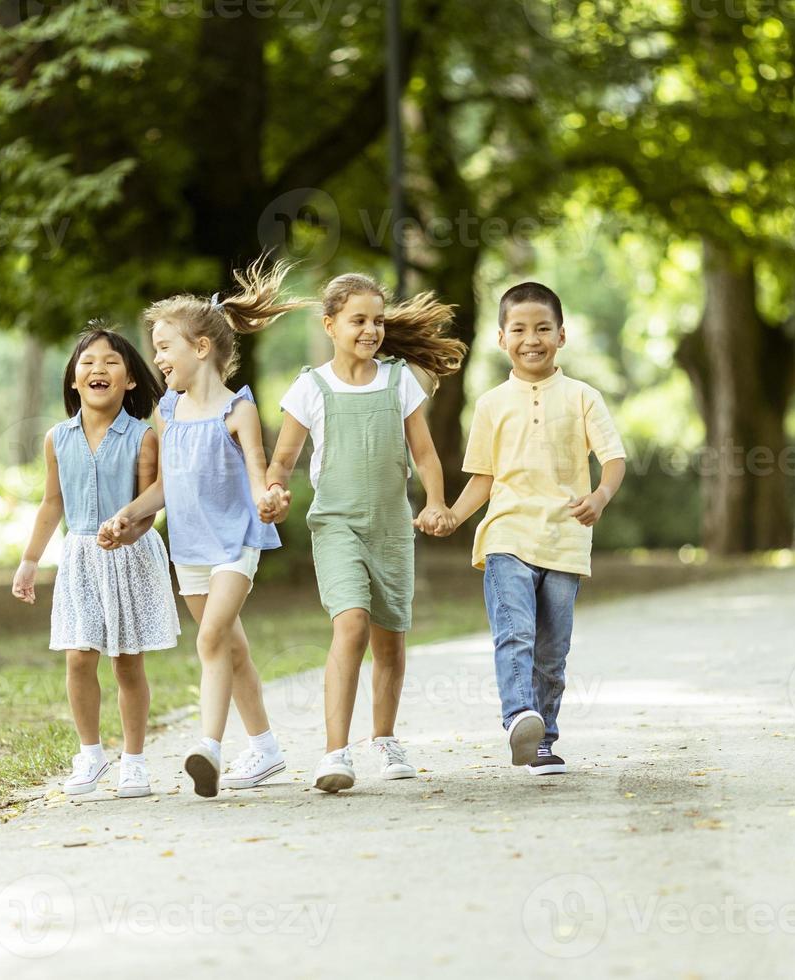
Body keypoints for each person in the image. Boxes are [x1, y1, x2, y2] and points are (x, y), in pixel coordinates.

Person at [101, 258, 307, 798]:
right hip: (188, 547)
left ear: (201, 348)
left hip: (236, 542)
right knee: (230, 648)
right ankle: (265, 749)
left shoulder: (238, 411)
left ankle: (208, 749)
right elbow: (165, 487)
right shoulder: (167, 411)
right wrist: (130, 514)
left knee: (212, 636)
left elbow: (262, 480)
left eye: (164, 345)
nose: (156, 358)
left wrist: (273, 500)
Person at [260, 273, 465, 793]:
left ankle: (385, 738)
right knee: (350, 624)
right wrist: (275, 491)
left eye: (377, 320)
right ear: (331, 325)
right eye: (359, 320)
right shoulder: (310, 386)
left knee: (391, 640)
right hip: (336, 525)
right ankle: (335, 753)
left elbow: (423, 454)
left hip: (393, 528)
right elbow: (282, 460)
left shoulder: (399, 381)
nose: (371, 329)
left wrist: (438, 503)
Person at [434, 282, 626, 775]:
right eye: (518, 329)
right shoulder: (492, 404)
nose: (531, 339)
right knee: (514, 631)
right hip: (506, 535)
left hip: (565, 540)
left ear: (562, 335)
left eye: (543, 328)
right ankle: (520, 715)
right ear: (501, 339)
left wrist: (600, 497)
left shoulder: (583, 396)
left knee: (552, 650)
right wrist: (455, 515)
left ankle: (543, 740)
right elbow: (483, 477)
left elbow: (613, 459)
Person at [12, 323, 180, 798]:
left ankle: (134, 760)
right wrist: (29, 562)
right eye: (87, 362)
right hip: (80, 557)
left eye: (110, 362)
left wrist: (129, 529)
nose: (97, 369)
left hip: (128, 556)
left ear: (129, 380)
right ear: (73, 380)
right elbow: (51, 503)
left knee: (127, 664)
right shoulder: (56, 439)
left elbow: (150, 503)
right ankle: (90, 755)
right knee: (79, 657)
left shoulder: (142, 437)